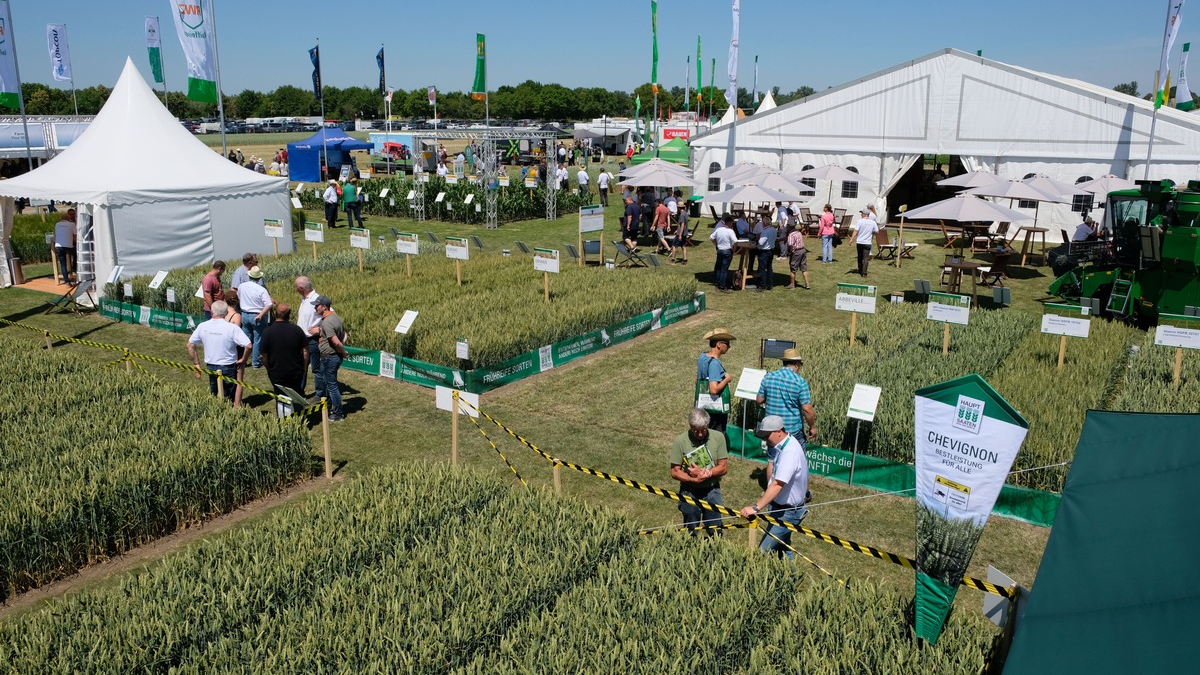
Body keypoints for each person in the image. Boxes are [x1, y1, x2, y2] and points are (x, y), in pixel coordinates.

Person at [739, 415, 811, 558]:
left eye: (767, 436)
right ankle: (791, 578)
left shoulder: (790, 452)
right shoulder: (785, 445)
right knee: (783, 548)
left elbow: (778, 485)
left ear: (779, 431)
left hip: (788, 513)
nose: (765, 440)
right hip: (782, 509)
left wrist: (755, 508)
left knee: (762, 553)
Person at [756, 349, 817, 479]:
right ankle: (802, 493)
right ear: (796, 364)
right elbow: (807, 409)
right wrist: (812, 427)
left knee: (772, 461)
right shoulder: (800, 382)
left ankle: (770, 490)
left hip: (771, 429)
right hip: (792, 429)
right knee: (799, 461)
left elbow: (759, 400)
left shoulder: (768, 377)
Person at [669, 408, 730, 534]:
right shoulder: (680, 441)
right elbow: (675, 471)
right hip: (689, 491)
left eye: (703, 430)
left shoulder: (718, 437)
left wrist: (708, 473)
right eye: (696, 431)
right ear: (690, 426)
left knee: (715, 529)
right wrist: (693, 479)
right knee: (691, 531)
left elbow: (723, 466)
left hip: (712, 490)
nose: (700, 434)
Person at [188, 300, 250, 402]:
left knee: (214, 394)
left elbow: (190, 345)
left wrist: (196, 364)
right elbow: (249, 346)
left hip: (211, 366)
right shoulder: (232, 328)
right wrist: (244, 359)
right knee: (229, 397)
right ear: (226, 313)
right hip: (228, 367)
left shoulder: (203, 326)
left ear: (212, 312)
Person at [259, 303, 310, 397]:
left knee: (280, 397)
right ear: (289, 314)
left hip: (276, 371)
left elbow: (263, 355)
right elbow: (306, 351)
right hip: (295, 371)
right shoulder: (297, 330)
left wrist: (268, 368)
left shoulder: (267, 332)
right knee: (296, 396)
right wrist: (305, 366)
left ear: (275, 313)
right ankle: (298, 411)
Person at [315, 295, 350, 421]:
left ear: (324, 307)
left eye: (317, 306)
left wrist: (343, 351)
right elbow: (344, 335)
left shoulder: (327, 322)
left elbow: (335, 342)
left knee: (332, 386)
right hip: (334, 356)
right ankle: (330, 406)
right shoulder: (336, 318)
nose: (315, 308)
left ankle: (338, 413)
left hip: (329, 358)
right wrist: (341, 350)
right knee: (329, 384)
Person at [696, 328, 735, 433]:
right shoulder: (714, 363)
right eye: (727, 344)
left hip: (703, 406)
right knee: (716, 437)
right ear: (719, 344)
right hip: (715, 410)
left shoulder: (702, 357)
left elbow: (698, 379)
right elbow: (713, 390)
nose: (729, 346)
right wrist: (726, 379)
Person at [235, 265, 274, 369]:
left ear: (249, 276)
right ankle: (256, 362)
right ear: (259, 278)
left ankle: (243, 359)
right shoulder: (261, 289)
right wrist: (261, 314)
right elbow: (269, 304)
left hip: (244, 314)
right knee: (258, 339)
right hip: (257, 315)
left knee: (246, 338)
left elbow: (238, 297)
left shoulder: (242, 286)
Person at [295, 276, 323, 394]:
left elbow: (331, 316)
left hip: (313, 340)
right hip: (302, 340)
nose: (295, 289)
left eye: (296, 287)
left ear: (301, 288)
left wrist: (320, 329)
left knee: (316, 368)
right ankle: (300, 390)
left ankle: (320, 394)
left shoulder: (317, 300)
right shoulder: (304, 299)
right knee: (301, 366)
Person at [710, 215, 737, 292]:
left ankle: (717, 282)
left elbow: (711, 237)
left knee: (719, 267)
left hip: (720, 250)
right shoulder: (730, 231)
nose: (732, 224)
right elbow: (735, 242)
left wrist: (716, 244)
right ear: (729, 222)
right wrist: (734, 250)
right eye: (732, 223)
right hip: (727, 250)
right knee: (724, 269)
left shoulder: (719, 229)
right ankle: (722, 286)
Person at [849, 207, 878, 278]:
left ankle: (860, 269)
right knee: (865, 258)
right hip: (867, 242)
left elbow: (856, 230)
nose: (861, 214)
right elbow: (876, 231)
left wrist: (851, 239)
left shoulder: (860, 221)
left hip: (860, 242)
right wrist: (871, 233)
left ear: (865, 214)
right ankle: (864, 273)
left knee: (860, 256)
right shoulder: (873, 222)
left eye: (862, 213)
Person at [53, 208, 77, 284]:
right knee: (77, 254)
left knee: (63, 264)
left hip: (58, 246)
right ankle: (75, 271)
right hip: (69, 246)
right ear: (68, 218)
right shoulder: (71, 224)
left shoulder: (57, 224)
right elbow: (76, 235)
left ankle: (67, 282)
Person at [757, 217, 778, 291]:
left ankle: (763, 285)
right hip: (771, 250)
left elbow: (761, 242)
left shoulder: (765, 232)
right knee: (769, 268)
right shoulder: (774, 230)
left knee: (762, 269)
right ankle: (770, 284)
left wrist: (758, 240)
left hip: (764, 251)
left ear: (764, 223)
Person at [786, 225, 810, 290]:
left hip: (796, 252)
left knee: (793, 268)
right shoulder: (799, 233)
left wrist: (789, 252)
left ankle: (792, 284)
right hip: (803, 250)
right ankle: (807, 283)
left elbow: (791, 245)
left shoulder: (791, 235)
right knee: (804, 268)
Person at [673, 190, 690, 263]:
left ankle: (673, 259)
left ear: (679, 208)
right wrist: (677, 230)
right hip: (684, 233)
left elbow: (682, 224)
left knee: (674, 245)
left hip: (681, 233)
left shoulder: (682, 215)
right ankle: (685, 258)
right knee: (683, 246)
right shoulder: (685, 213)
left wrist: (679, 234)